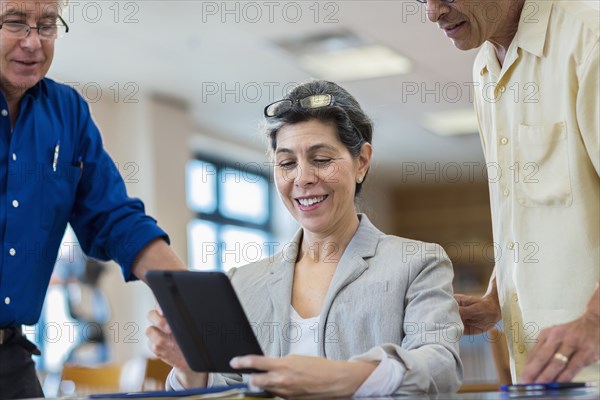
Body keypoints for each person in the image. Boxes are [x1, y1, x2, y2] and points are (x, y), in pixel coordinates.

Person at [147, 80, 463, 397]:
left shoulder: (417, 264)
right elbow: (231, 390)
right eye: (286, 163)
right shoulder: (243, 282)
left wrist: (345, 377)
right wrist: (191, 371)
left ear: (362, 162)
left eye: (321, 160)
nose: (303, 178)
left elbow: (440, 369)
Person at [0, 1, 186, 398]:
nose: (33, 42)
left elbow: (113, 217)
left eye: (47, 25)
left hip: (8, 359)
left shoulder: (67, 114)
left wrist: (187, 296)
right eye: (15, 23)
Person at [421, 0, 599, 384]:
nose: (433, 13)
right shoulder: (485, 66)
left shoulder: (589, 37)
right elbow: (521, 212)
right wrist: (496, 300)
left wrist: (594, 322)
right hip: (537, 370)